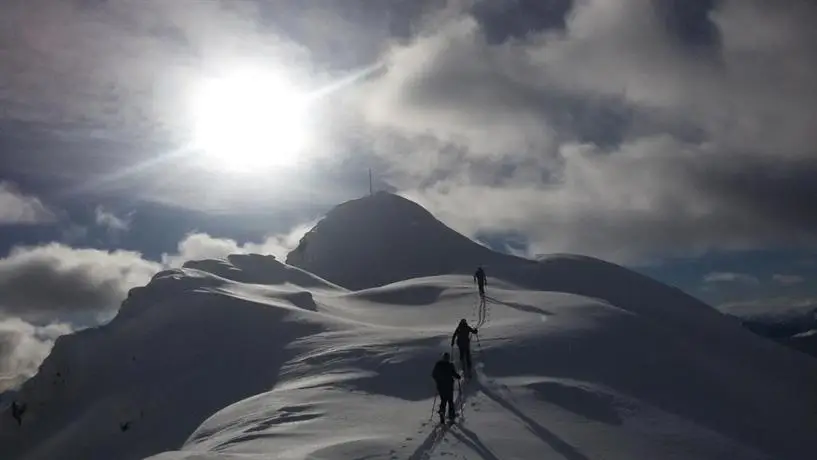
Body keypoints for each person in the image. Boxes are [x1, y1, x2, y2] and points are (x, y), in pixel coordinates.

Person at [431, 352, 461, 423]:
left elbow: (434, 374)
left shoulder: (438, 364)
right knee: (450, 401)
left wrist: (438, 381)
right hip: (449, 386)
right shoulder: (450, 365)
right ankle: (451, 416)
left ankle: (442, 413)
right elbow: (454, 373)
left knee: (443, 400)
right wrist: (458, 376)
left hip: (441, 386)